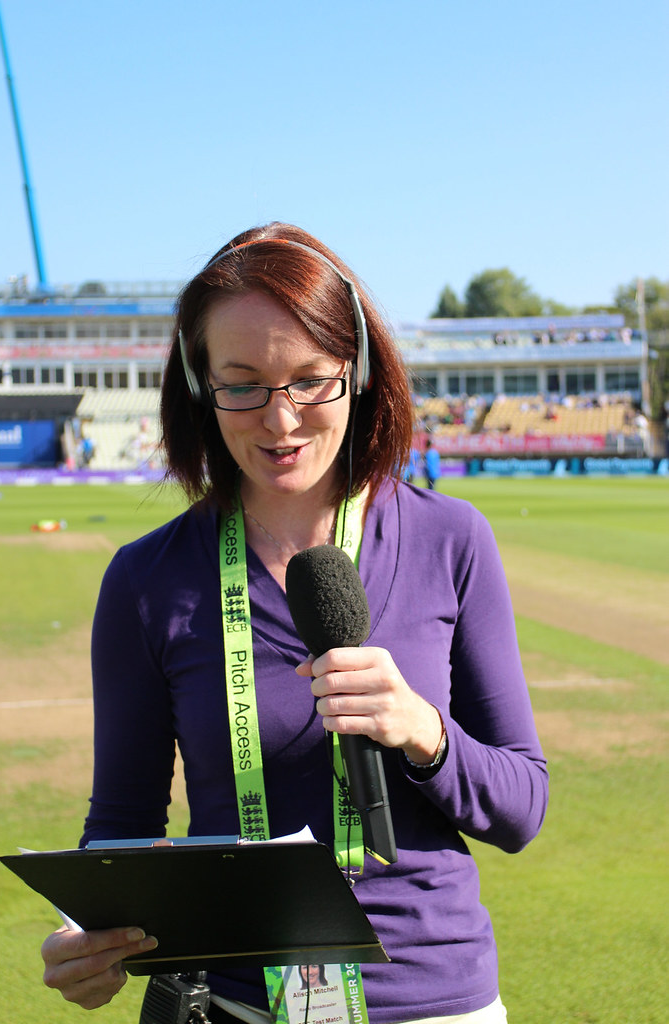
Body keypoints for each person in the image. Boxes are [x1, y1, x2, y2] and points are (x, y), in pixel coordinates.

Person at [40, 222, 548, 1024]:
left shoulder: (452, 540)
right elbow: (122, 829)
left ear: (362, 373)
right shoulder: (145, 579)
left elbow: (522, 808)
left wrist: (424, 732)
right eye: (241, 384)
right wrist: (89, 936)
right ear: (199, 385)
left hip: (429, 1000)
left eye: (311, 380)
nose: (280, 422)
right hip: (227, 1003)